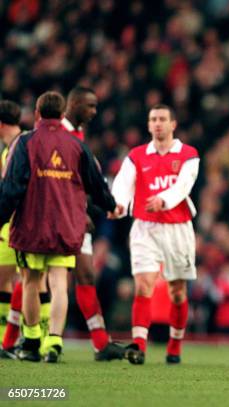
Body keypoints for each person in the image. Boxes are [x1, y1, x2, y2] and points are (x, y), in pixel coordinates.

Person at [0, 91, 119, 362]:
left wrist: (2, 217)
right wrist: (110, 206)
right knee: (58, 283)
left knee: (30, 281)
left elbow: (12, 188)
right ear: (63, 114)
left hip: (32, 225)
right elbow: (96, 183)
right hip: (66, 226)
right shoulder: (77, 145)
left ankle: (30, 341)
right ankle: (53, 342)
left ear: (38, 114)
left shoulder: (25, 142)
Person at [111, 104, 199, 365]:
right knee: (143, 285)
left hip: (177, 226)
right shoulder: (136, 155)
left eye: (162, 119)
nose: (158, 123)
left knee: (178, 291)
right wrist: (118, 205)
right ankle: (139, 346)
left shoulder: (188, 154)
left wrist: (163, 199)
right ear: (148, 126)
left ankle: (174, 344)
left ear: (173, 124)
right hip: (145, 226)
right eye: (153, 119)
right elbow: (123, 184)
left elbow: (184, 185)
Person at [62, 87, 124, 361]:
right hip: (57, 217)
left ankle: (100, 343)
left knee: (85, 274)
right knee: (38, 279)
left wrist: (106, 206)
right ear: (73, 104)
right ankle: (17, 339)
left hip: (77, 218)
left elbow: (87, 182)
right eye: (90, 106)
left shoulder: (78, 137)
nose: (94, 112)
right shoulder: (56, 135)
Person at [0, 101, 51, 360]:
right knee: (28, 280)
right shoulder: (21, 144)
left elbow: (12, 189)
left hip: (16, 223)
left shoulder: (20, 146)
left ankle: (12, 341)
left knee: (20, 280)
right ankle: (37, 340)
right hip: (27, 222)